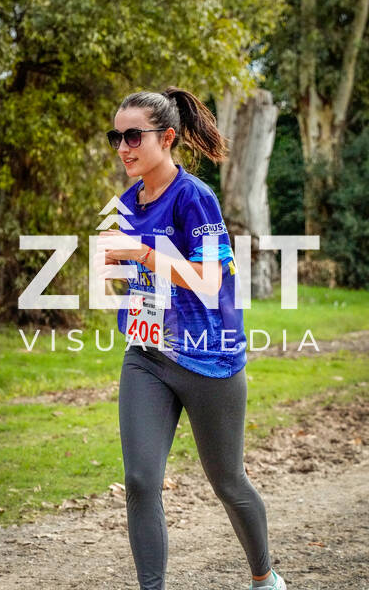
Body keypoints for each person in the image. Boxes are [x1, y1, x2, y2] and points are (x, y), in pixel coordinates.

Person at [96, 87, 287, 590]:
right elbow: (134, 280)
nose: (123, 147)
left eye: (133, 136)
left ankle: (264, 577)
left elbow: (209, 280)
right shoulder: (126, 203)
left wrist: (139, 253)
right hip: (147, 356)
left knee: (227, 481)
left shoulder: (195, 198)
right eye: (117, 137)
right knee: (140, 481)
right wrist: (111, 266)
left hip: (209, 358)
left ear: (167, 138)